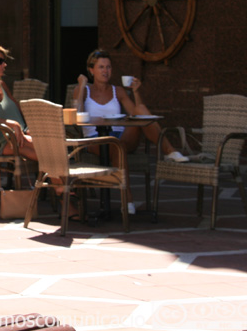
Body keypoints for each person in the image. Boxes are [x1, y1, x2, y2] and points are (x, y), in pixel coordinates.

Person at [72, 49, 189, 214]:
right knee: (115, 145)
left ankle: (170, 151)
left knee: (140, 109)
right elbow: (76, 115)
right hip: (95, 139)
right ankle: (127, 199)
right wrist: (82, 85)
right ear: (91, 70)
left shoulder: (117, 91)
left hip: (121, 137)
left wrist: (135, 91)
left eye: (109, 67)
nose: (106, 71)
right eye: (101, 67)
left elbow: (137, 115)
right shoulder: (84, 90)